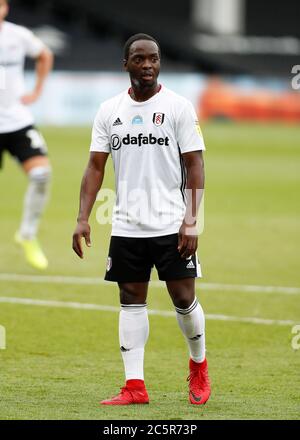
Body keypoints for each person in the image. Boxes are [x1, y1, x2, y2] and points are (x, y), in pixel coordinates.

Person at [72, 33, 211, 406]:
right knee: (130, 298)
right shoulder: (109, 110)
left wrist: (192, 219)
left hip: (172, 223)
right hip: (127, 224)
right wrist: (82, 218)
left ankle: (198, 365)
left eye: (154, 59)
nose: (147, 65)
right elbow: (94, 166)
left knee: (183, 298)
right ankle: (135, 386)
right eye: (139, 59)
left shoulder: (179, 107)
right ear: (126, 64)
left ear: (159, 63)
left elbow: (195, 165)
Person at [0, 0, 53, 270]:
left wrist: (37, 90)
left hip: (18, 122)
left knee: (41, 175)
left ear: (5, 7)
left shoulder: (17, 35)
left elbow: (45, 55)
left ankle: (27, 235)